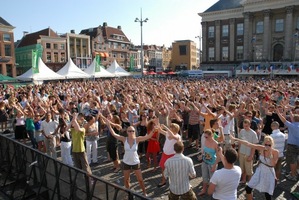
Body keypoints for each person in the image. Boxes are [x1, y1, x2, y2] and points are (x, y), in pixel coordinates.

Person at [103, 116, 157, 196]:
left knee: (140, 180)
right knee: (126, 180)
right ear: (127, 132)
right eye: (129, 131)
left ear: (134, 132)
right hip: (126, 162)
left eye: (132, 131)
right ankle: (128, 193)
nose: (131, 132)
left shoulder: (137, 139)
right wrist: (109, 125)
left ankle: (144, 193)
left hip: (135, 162)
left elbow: (148, 137)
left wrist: (154, 130)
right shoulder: (124, 139)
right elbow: (114, 134)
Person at [231, 135, 278, 200]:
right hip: (260, 171)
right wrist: (235, 139)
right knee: (248, 188)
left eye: (269, 145)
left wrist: (270, 153)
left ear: (272, 144)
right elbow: (249, 144)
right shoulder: (262, 148)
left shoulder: (275, 152)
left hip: (269, 173)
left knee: (267, 194)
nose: (267, 146)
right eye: (265, 144)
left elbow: (273, 164)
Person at [276, 108, 299, 181]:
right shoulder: (295, 124)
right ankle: (296, 172)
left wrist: (278, 113)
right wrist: (288, 110)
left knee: (293, 161)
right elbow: (293, 117)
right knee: (297, 160)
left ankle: (293, 175)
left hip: (292, 145)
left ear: (293, 119)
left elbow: (284, 120)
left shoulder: (292, 125)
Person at [158, 123, 181, 187]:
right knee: (162, 168)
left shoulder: (178, 136)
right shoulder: (168, 134)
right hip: (165, 154)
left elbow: (173, 136)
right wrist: (158, 125)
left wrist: (165, 127)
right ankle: (164, 181)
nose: (169, 128)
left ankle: (174, 182)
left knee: (172, 170)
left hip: (172, 156)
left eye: (171, 127)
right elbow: (160, 131)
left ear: (174, 129)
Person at [198, 129, 219, 196]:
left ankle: (213, 192)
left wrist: (214, 165)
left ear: (211, 135)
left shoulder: (216, 144)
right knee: (204, 177)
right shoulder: (206, 141)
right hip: (205, 161)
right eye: (204, 136)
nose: (205, 138)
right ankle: (204, 190)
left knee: (212, 179)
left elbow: (218, 156)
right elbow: (204, 151)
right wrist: (201, 155)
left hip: (212, 163)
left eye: (206, 137)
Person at [238, 119, 259, 184]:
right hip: (242, 152)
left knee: (249, 170)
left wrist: (251, 155)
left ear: (250, 125)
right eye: (244, 126)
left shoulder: (253, 133)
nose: (245, 127)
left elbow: (254, 146)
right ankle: (243, 180)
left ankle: (250, 183)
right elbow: (240, 142)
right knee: (242, 168)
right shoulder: (242, 131)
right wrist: (238, 151)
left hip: (248, 153)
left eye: (247, 126)